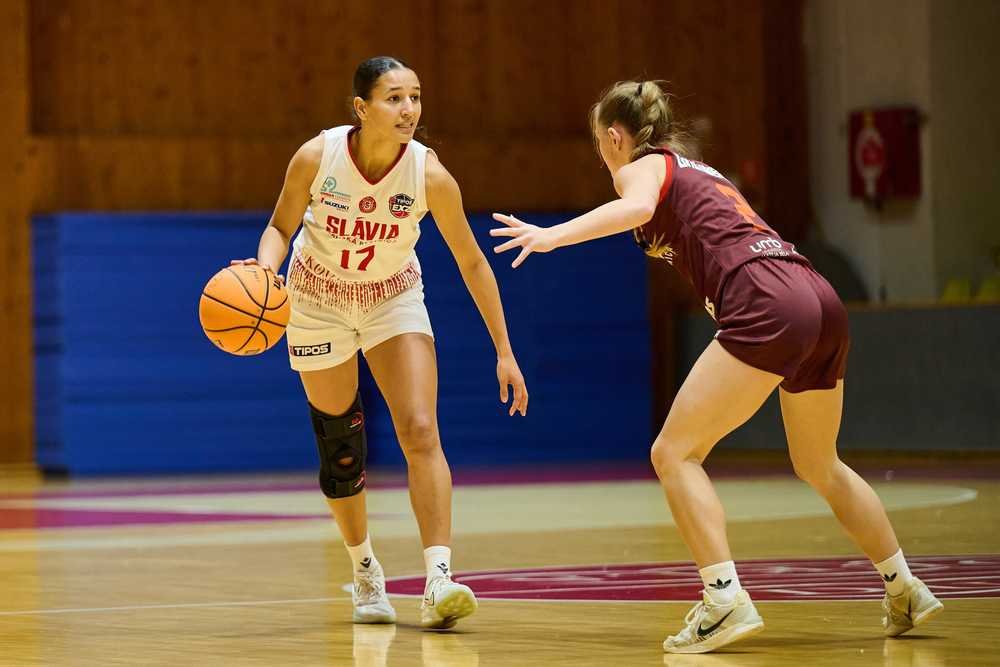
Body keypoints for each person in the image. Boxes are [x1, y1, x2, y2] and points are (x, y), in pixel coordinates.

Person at [490, 80, 941, 654]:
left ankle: (724, 599)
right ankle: (905, 588)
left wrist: (552, 236)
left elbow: (638, 208)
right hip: (816, 295)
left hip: (766, 300)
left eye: (599, 143)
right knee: (819, 463)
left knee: (672, 453)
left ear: (614, 138)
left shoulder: (642, 167)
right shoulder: (697, 169)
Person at [236, 56, 528, 630]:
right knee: (341, 447)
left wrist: (504, 349)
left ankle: (438, 579)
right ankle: (364, 568)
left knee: (420, 428)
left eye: (415, 97)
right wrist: (265, 273)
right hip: (316, 301)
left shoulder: (430, 175)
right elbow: (280, 228)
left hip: (391, 298)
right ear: (361, 108)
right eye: (394, 98)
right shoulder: (317, 157)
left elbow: (472, 261)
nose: (409, 109)